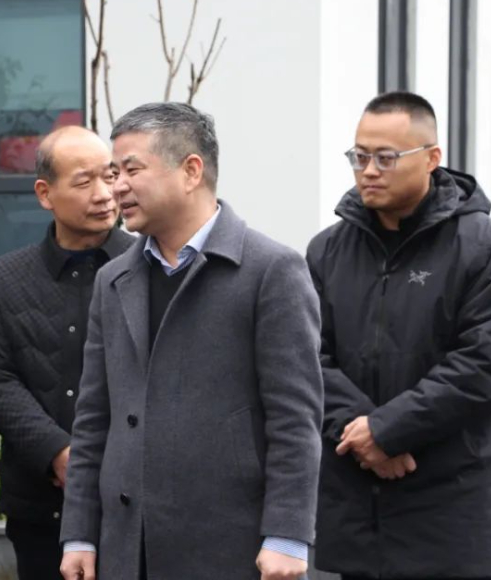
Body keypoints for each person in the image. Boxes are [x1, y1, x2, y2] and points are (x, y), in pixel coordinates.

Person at [59, 103, 323, 580]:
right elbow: (94, 418)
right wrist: (79, 533)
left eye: (132, 170)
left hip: (230, 548)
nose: (116, 187)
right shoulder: (113, 279)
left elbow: (294, 419)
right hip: (126, 550)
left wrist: (287, 536)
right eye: (115, 172)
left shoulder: (271, 271)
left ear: (191, 171)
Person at [308, 91, 491, 580]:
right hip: (359, 513)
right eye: (359, 156)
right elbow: (306, 357)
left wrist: (388, 431)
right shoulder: (326, 252)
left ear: (432, 158)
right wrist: (363, 433)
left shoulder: (486, 248)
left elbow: (486, 365)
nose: (368, 170)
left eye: (386, 158)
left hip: (452, 515)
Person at [0, 126, 134, 580]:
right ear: (45, 193)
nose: (104, 194)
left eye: (110, 176)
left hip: (132, 501)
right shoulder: (6, 278)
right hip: (40, 506)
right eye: (84, 181)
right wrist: (56, 452)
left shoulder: (146, 267)